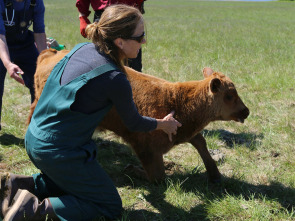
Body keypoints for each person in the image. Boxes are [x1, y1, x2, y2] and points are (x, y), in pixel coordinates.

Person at [0, 4, 181, 221]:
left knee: (77, 183)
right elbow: (133, 123)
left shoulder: (81, 49)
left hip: (34, 137)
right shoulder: (115, 78)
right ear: (120, 42)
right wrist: (163, 123)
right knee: (109, 204)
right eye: (140, 36)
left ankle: (15, 186)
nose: (144, 41)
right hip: (58, 150)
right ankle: (33, 209)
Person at [0, 0, 47, 131]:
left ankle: (38, 126)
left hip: (24, 43)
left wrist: (44, 61)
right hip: (2, 43)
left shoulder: (36, 2)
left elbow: (39, 32)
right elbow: (0, 36)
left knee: (39, 80)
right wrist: (8, 63)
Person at [76, 0, 146, 72]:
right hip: (105, 17)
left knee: (134, 67)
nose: (144, 41)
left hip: (128, 15)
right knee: (103, 64)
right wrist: (82, 15)